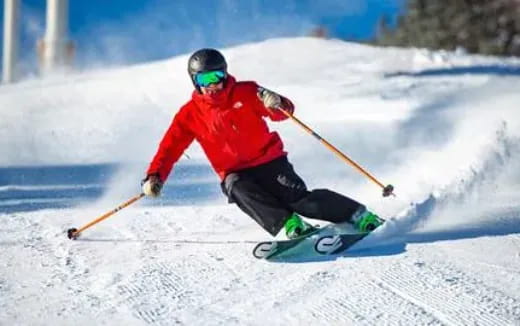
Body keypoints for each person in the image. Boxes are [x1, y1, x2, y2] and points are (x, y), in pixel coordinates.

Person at [142, 48, 382, 239]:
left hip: (270, 161)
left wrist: (275, 101)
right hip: (235, 172)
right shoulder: (189, 115)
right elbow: (170, 148)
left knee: (300, 201)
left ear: (225, 75)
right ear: (195, 81)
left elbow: (282, 112)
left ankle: (358, 215)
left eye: (218, 76)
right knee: (235, 186)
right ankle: (290, 224)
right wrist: (155, 176)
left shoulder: (247, 91)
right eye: (205, 78)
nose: (213, 84)